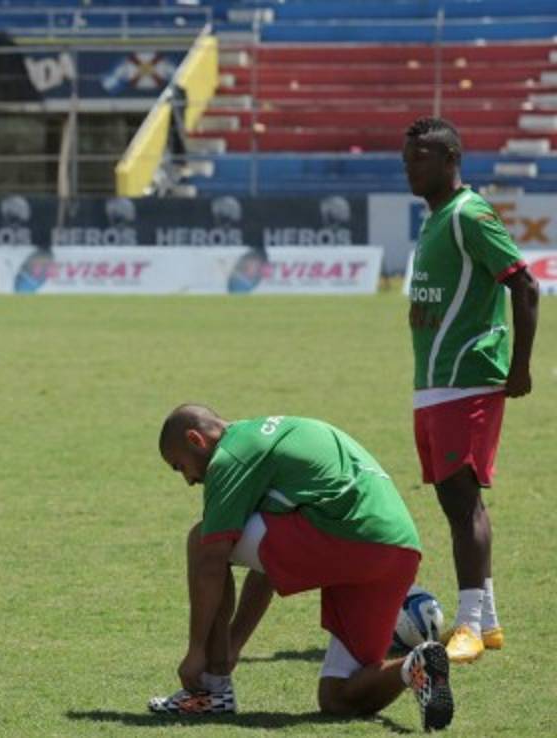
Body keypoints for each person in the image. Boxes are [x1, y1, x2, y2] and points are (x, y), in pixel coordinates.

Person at [150, 405, 453, 732]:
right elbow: (267, 565)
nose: (189, 480)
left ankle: (210, 692)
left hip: (349, 535)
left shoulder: (231, 458)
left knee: (202, 541)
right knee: (338, 697)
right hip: (399, 548)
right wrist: (233, 645)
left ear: (196, 439)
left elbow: (211, 560)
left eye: (180, 466)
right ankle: (416, 665)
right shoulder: (267, 437)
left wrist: (197, 652)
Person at [402, 117, 540, 663]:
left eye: (419, 158)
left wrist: (520, 367)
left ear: (450, 157)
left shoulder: (468, 214)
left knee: (462, 503)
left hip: (468, 375)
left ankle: (468, 627)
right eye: (405, 159)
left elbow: (524, 286)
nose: (409, 167)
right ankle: (490, 618)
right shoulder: (435, 219)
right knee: (455, 500)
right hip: (434, 382)